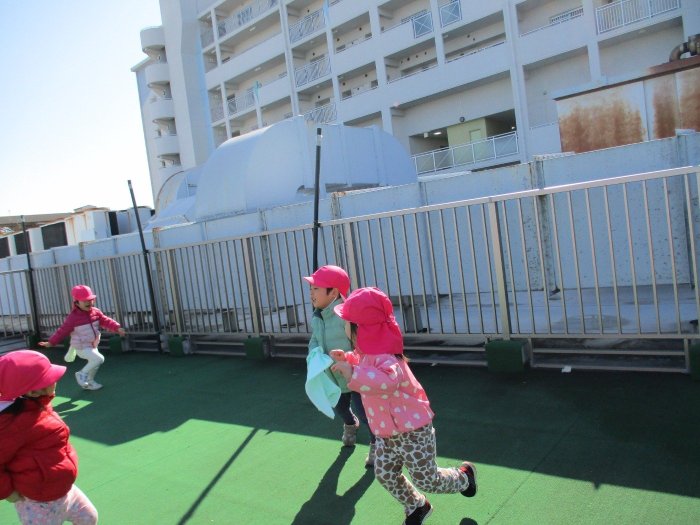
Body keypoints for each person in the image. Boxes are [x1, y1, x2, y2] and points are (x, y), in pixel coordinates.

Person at [330, 287, 477, 525]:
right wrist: (347, 359)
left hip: (413, 431)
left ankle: (464, 478)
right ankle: (417, 505)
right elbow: (363, 363)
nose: (344, 327)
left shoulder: (388, 358)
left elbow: (386, 382)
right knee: (385, 473)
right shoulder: (366, 353)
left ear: (363, 329)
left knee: (427, 479)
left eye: (347, 323)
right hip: (386, 432)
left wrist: (353, 372)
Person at [0, 349, 99, 525]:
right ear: (32, 392)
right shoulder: (12, 424)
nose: (55, 380)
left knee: (89, 518)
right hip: (36, 503)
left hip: (64, 489)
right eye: (49, 379)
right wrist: (7, 492)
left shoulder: (39, 404)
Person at [304, 265, 376, 466]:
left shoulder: (348, 315)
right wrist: (313, 353)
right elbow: (315, 339)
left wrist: (355, 364)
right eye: (311, 289)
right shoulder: (318, 315)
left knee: (365, 411)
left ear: (333, 292)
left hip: (355, 374)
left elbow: (360, 344)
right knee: (339, 406)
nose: (311, 293)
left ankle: (376, 443)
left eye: (316, 288)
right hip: (333, 375)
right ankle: (350, 424)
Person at [39, 284, 125, 391]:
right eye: (84, 301)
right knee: (99, 359)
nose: (88, 302)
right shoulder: (73, 318)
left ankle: (89, 382)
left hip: (92, 344)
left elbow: (106, 321)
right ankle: (81, 374)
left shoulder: (95, 312)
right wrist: (51, 342)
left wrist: (117, 328)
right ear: (76, 303)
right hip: (81, 346)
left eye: (90, 299)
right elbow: (62, 331)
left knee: (95, 363)